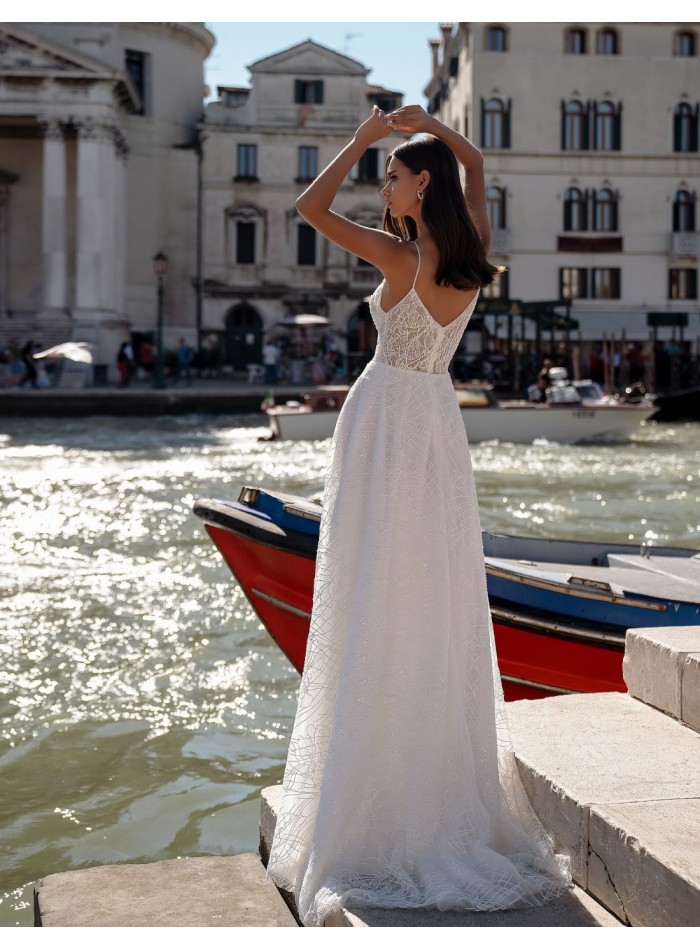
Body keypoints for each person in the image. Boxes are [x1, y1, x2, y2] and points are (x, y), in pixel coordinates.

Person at [266, 104, 571, 925]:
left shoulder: (400, 257)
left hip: (383, 425)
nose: (384, 184)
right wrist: (431, 125)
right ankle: (423, 761)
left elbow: (308, 211)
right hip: (436, 423)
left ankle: (375, 775)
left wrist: (361, 137)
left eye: (394, 173)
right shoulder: (469, 248)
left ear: (418, 182)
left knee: (372, 582)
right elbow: (479, 169)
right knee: (427, 589)